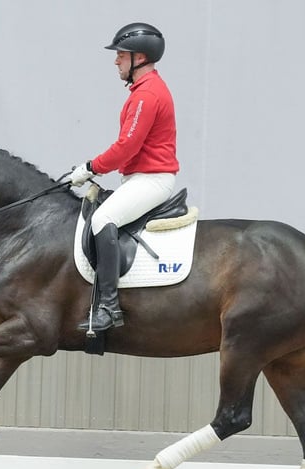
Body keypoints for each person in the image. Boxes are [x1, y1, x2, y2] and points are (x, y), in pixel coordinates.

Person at [67, 22, 180, 332]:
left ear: (139, 58)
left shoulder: (147, 95)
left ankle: (108, 308)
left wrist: (89, 168)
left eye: (121, 55)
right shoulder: (144, 91)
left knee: (103, 220)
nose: (116, 60)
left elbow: (126, 147)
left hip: (152, 179)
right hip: (141, 178)